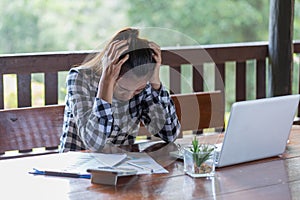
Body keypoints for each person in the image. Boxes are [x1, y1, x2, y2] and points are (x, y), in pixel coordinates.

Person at [59, 27, 181, 152]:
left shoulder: (144, 84)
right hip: (77, 165)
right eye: (123, 89)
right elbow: (93, 144)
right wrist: (106, 81)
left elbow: (170, 134)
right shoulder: (80, 78)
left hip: (122, 165)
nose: (128, 96)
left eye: (137, 90)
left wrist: (156, 85)